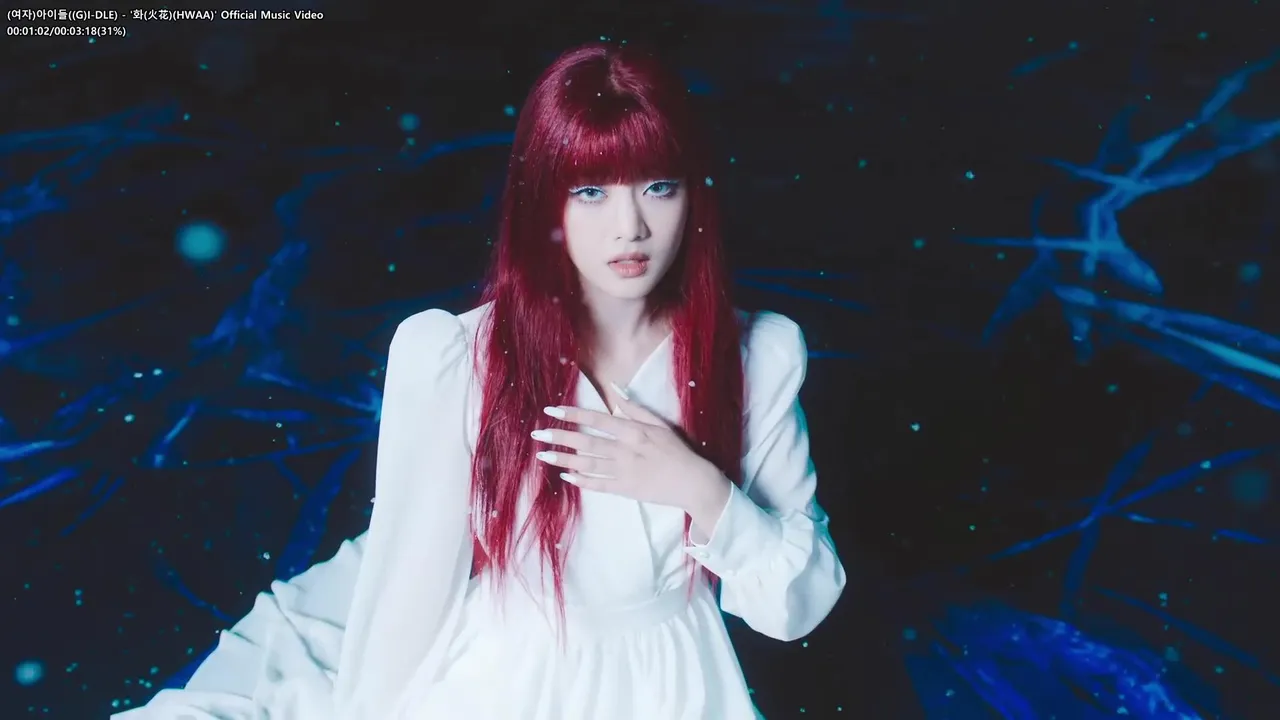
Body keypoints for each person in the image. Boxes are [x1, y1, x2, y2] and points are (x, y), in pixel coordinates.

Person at [118, 41, 846, 720]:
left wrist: (698, 486)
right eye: (591, 191)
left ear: (693, 196)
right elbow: (413, 580)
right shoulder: (460, 355)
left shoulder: (757, 353)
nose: (631, 227)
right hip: (514, 675)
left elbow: (798, 605)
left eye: (659, 187)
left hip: (677, 680)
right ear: (544, 200)